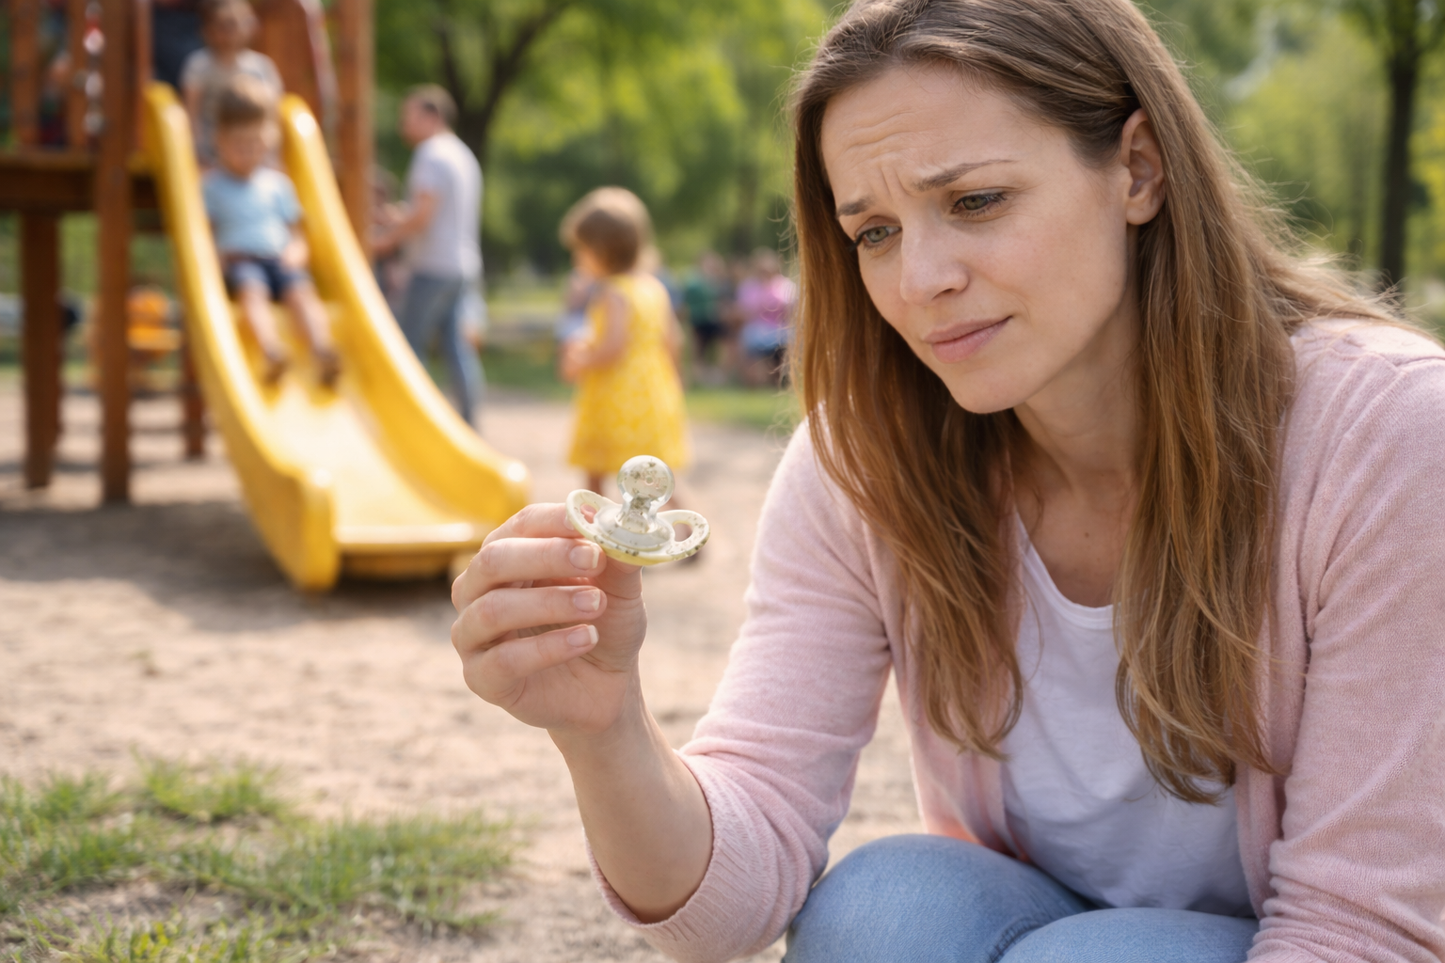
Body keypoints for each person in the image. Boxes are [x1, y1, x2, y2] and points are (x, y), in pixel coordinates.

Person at [449, 1, 1445, 961]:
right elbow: (726, 906)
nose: (918, 279)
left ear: (1136, 169)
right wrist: (604, 730)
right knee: (878, 915)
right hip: (1030, 918)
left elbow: (1363, 935)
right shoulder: (864, 462)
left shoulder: (1388, 438)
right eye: (873, 231)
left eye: (973, 202)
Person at [203, 76, 338, 386]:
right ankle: (271, 351)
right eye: (239, 146)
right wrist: (215, 260)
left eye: (254, 145)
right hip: (242, 260)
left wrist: (296, 252)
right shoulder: (212, 186)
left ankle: (322, 350)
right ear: (220, 142)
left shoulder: (277, 185)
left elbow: (295, 231)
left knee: (302, 293)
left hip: (279, 258)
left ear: (268, 142)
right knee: (253, 294)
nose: (247, 153)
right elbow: (207, 232)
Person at [557, 187, 689, 497]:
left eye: (581, 250)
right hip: (651, 392)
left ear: (601, 251)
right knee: (653, 472)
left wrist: (580, 361)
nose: (577, 258)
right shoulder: (653, 287)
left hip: (615, 396)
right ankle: (687, 526)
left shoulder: (612, 292)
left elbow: (613, 346)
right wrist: (674, 384)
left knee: (596, 467)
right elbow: (674, 340)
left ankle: (593, 527)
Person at [371, 85, 485, 428]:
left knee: (410, 347)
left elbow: (423, 217)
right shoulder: (461, 153)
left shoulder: (430, 154)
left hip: (432, 265)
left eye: (408, 117)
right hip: (462, 265)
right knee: (456, 348)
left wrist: (383, 241)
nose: (402, 126)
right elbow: (430, 211)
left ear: (431, 116)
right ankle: (468, 423)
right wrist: (398, 217)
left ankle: (418, 423)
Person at [180, 0, 282, 169]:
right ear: (208, 30)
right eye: (222, 26)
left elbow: (273, 115)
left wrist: (273, 157)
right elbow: (192, 115)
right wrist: (196, 155)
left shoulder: (262, 67)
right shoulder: (199, 66)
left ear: (250, 26)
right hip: (213, 155)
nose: (229, 32)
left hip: (254, 152)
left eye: (234, 24)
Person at [735, 247, 797, 387]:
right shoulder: (749, 286)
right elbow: (743, 312)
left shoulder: (785, 285)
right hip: (757, 328)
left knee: (792, 338)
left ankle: (785, 379)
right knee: (748, 337)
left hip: (781, 328)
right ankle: (753, 380)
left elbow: (794, 310)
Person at [679, 251, 733, 384]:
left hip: (716, 320)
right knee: (697, 349)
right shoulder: (693, 282)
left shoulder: (721, 281)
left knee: (725, 344)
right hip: (698, 320)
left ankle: (721, 375)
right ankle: (698, 376)